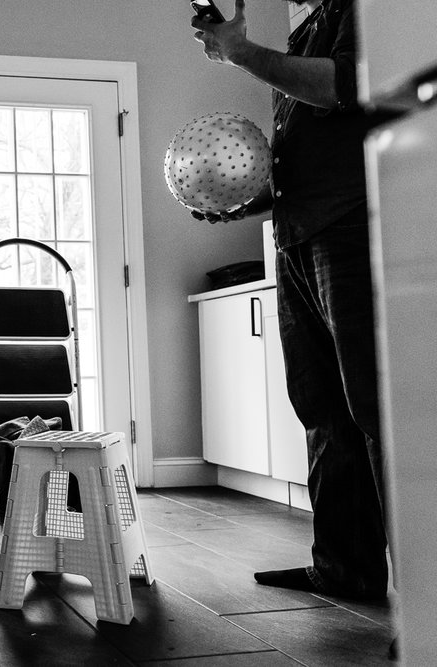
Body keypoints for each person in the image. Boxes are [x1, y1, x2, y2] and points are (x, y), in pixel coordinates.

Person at [191, 0, 392, 604]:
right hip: (298, 236)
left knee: (375, 412)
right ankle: (344, 569)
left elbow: (349, 86)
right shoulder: (310, 23)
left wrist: (243, 52)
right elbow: (310, 149)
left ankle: (425, 594)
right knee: (321, 409)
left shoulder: (371, 7)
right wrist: (246, 200)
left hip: (354, 227)